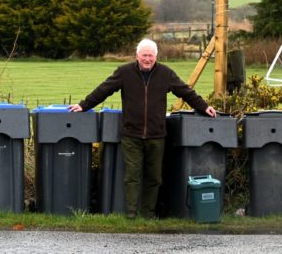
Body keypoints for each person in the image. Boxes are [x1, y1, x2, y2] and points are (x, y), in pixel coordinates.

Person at [68, 38, 216, 219]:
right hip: (131, 134)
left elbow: (185, 91)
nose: (147, 59)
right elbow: (104, 89)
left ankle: (148, 213)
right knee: (132, 176)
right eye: (144, 55)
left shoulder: (166, 73)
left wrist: (204, 106)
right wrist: (84, 105)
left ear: (156, 56)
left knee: (154, 178)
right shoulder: (124, 72)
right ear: (137, 56)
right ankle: (131, 213)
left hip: (157, 135)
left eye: (151, 56)